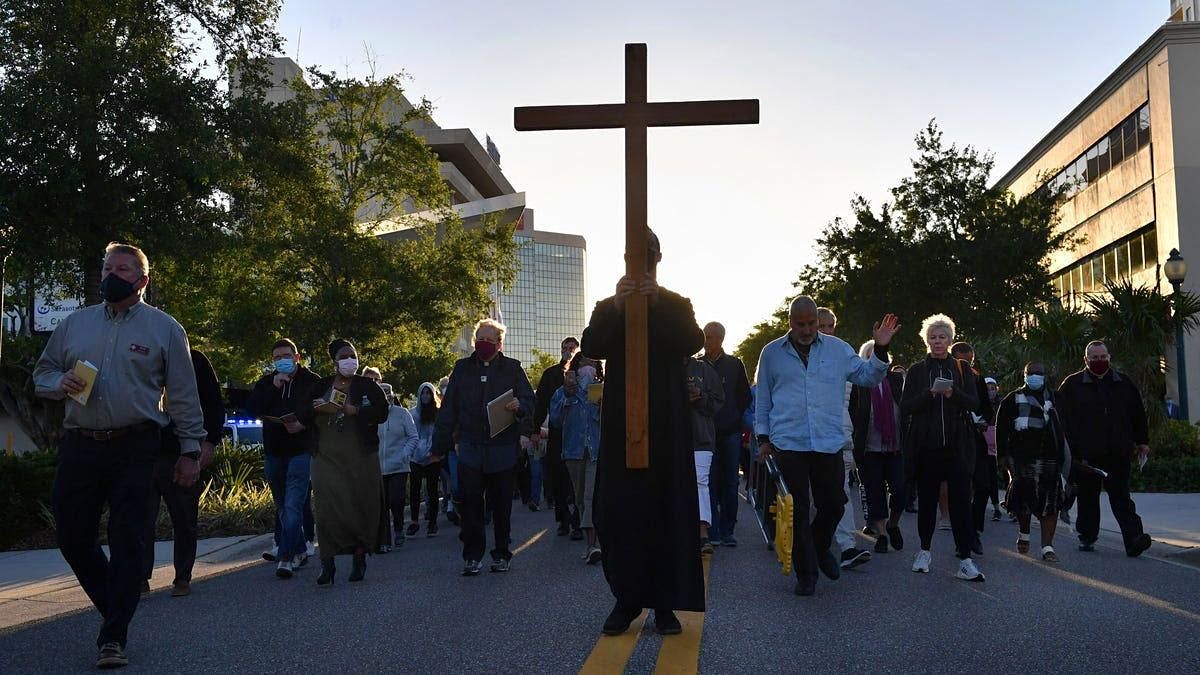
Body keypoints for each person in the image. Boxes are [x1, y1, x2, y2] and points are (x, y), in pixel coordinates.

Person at [33, 242, 206, 669]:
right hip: (81, 444)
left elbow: (183, 397)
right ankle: (116, 603)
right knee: (72, 537)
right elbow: (43, 373)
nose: (112, 274)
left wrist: (190, 451)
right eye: (108, 266)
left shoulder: (166, 329)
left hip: (137, 445)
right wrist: (60, 384)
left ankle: (113, 636)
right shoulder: (74, 324)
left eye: (123, 269)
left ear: (142, 281)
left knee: (129, 541)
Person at [581, 229, 704, 636]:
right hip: (622, 427)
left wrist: (656, 303)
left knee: (667, 511)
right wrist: (618, 306)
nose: (643, 261)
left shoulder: (676, 303)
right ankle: (627, 599)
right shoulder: (606, 306)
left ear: (659, 257)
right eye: (636, 255)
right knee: (623, 513)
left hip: (667, 425)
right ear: (625, 258)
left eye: (649, 254)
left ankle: (665, 604)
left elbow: (692, 340)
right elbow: (592, 345)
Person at [756, 296, 898, 597]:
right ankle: (806, 574)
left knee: (834, 503)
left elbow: (868, 376)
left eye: (812, 324)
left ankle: (820, 548)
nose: (807, 330)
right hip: (789, 442)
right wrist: (763, 439)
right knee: (798, 510)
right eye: (801, 324)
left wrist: (881, 347)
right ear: (790, 322)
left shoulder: (838, 349)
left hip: (827, 440)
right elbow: (764, 399)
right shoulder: (771, 353)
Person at [434, 319, 536, 576]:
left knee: (501, 505)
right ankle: (472, 555)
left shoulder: (513, 368)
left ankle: (502, 553)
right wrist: (439, 445)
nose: (483, 344)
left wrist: (519, 406)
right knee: (469, 504)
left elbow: (529, 400)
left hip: (502, 448)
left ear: (500, 344)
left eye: (489, 340)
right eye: (480, 338)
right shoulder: (462, 368)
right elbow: (448, 409)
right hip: (469, 447)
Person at [901, 314, 984, 582]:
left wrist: (953, 394)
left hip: (957, 446)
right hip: (927, 447)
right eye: (933, 337)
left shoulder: (961, 368)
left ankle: (966, 559)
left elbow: (974, 403)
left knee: (961, 503)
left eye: (942, 337)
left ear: (950, 340)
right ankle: (924, 552)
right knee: (927, 501)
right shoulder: (916, 370)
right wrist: (930, 394)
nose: (938, 342)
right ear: (926, 340)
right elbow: (906, 406)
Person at [302, 339, 389, 585]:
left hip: (360, 457)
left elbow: (382, 412)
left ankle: (359, 557)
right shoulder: (320, 385)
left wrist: (357, 411)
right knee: (328, 508)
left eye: (353, 355)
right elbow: (302, 412)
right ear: (335, 361)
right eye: (344, 356)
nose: (350, 360)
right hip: (326, 457)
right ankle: (327, 563)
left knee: (360, 505)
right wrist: (317, 407)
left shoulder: (368, 386)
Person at [1056, 340, 1152, 557]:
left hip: (1118, 454)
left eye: (1103, 357)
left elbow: (1138, 415)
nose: (1099, 361)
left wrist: (1142, 442)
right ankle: (1087, 536)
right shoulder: (1072, 385)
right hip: (1086, 457)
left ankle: (1134, 539)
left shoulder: (1123, 383)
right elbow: (1061, 419)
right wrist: (1069, 451)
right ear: (1086, 360)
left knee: (1121, 498)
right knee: (1088, 498)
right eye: (1094, 358)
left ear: (1109, 358)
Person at [141, 348, 224, 596]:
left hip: (182, 451)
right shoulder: (141, 355)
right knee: (141, 518)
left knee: (184, 518)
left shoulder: (194, 359)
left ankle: (182, 577)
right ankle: (140, 576)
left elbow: (213, 403)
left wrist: (209, 442)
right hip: (144, 451)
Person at [246, 338, 323, 578]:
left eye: (286, 356)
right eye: (277, 358)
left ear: (297, 357)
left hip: (301, 451)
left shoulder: (312, 381)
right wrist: (273, 387)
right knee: (282, 505)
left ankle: (286, 557)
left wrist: (303, 423)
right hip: (274, 451)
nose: (282, 361)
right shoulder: (265, 383)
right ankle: (299, 548)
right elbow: (253, 409)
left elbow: (320, 411)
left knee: (293, 503)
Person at [816, 306, 872, 570]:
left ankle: (847, 547)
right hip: (801, 438)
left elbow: (849, 397)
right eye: (821, 325)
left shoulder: (841, 353)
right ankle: (809, 544)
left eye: (830, 326)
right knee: (807, 494)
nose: (826, 331)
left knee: (840, 493)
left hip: (837, 433)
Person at [996, 362, 1068, 562]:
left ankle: (1047, 546)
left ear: (1045, 376)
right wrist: (1002, 456)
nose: (1035, 376)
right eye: (1031, 373)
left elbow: (1066, 427)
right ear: (1024, 375)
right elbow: (1001, 429)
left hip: (1051, 458)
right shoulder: (1013, 399)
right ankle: (1024, 533)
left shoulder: (1055, 398)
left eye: (1039, 373)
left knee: (1051, 503)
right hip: (1022, 458)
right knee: (1023, 502)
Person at [849, 340, 906, 555]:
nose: (879, 359)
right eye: (873, 356)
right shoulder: (858, 385)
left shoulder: (896, 380)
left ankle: (893, 523)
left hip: (896, 447)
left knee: (900, 490)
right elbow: (853, 413)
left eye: (881, 355)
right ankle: (882, 534)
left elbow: (906, 407)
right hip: (869, 448)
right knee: (874, 493)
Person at [700, 321, 752, 549]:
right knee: (707, 481)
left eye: (710, 336)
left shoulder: (734, 364)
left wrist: (734, 416)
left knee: (731, 481)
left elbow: (745, 396)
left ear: (720, 338)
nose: (706, 340)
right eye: (704, 336)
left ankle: (728, 529)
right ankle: (711, 529)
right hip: (705, 433)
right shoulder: (696, 366)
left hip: (730, 431)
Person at [550, 354, 605, 563]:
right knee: (580, 498)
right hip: (573, 452)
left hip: (596, 452)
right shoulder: (562, 392)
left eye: (592, 363)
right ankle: (590, 543)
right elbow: (555, 421)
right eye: (583, 363)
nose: (587, 368)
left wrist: (603, 406)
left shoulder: (602, 391)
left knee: (591, 496)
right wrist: (568, 393)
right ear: (575, 367)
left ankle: (593, 545)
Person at [950, 341, 995, 557]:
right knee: (960, 492)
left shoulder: (978, 379)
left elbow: (986, 408)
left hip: (976, 440)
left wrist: (983, 420)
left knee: (983, 486)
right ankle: (964, 539)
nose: (966, 365)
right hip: (954, 442)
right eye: (962, 362)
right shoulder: (947, 378)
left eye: (970, 361)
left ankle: (975, 529)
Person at [534, 337, 580, 536]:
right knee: (558, 476)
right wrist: (535, 429)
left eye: (572, 348)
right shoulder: (550, 374)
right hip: (557, 432)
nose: (568, 351)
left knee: (576, 478)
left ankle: (578, 520)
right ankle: (562, 518)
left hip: (577, 433)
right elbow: (541, 402)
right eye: (565, 348)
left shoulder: (583, 373)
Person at [685, 354, 724, 554]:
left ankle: (702, 534)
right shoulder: (660, 365)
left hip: (701, 438)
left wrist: (700, 396)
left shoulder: (704, 369)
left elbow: (718, 402)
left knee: (700, 482)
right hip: (670, 438)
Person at [378, 382, 418, 551]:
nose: (385, 398)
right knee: (382, 504)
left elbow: (413, 437)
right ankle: (385, 540)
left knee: (396, 499)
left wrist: (404, 454)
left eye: (387, 394)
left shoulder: (402, 414)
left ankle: (399, 528)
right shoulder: (373, 416)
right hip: (378, 467)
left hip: (399, 466)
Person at [408, 382, 443, 538]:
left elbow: (441, 433)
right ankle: (414, 521)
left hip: (433, 456)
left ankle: (432, 523)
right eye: (423, 393)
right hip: (415, 456)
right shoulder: (412, 414)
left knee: (432, 490)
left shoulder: (438, 413)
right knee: (415, 490)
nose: (426, 396)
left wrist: (436, 450)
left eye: (429, 393)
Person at [983, 377, 1004, 522]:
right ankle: (994, 508)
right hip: (982, 445)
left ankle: (1000, 508)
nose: (991, 391)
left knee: (996, 477)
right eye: (987, 388)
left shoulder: (1002, 404)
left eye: (993, 388)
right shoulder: (979, 403)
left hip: (998, 445)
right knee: (987, 477)